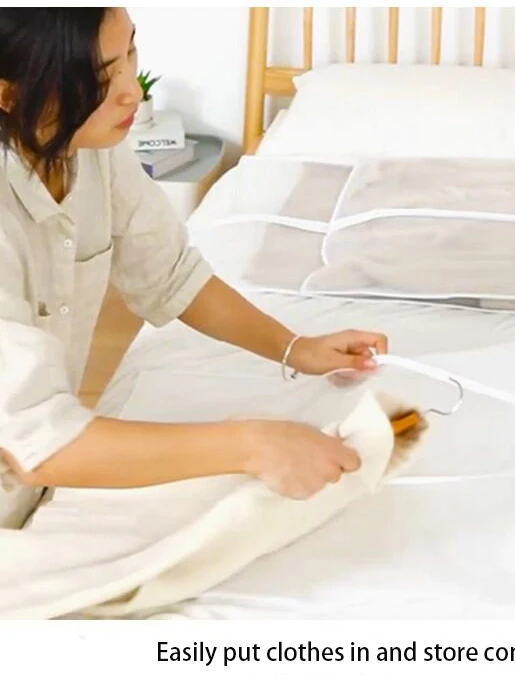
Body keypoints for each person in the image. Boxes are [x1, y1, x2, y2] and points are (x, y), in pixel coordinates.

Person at [0, 8, 389, 528]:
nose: (131, 91)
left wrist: (296, 348)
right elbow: (36, 443)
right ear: (8, 95)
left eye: (129, 54)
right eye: (99, 78)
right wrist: (252, 444)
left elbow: (171, 272)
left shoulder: (88, 146)